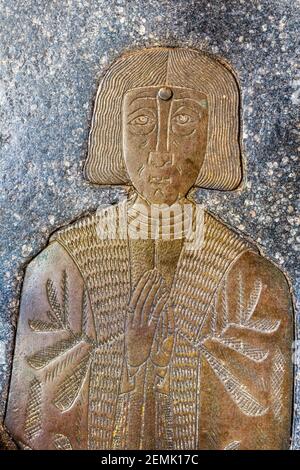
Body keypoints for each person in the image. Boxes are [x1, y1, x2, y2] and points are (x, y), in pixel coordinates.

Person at [5, 47, 293, 450]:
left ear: (215, 134)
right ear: (113, 132)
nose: (162, 149)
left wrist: (167, 358)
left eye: (186, 122)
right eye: (141, 121)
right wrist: (128, 356)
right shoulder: (60, 268)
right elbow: (34, 422)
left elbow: (262, 426)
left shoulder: (252, 280)